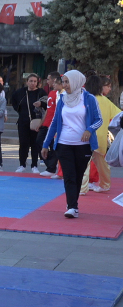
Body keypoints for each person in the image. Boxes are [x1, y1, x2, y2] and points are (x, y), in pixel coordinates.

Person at [42, 70, 102, 218]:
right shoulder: (62, 99)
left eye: (67, 82)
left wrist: (89, 129)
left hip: (83, 145)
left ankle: (73, 205)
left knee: (78, 175)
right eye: (64, 82)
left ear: (77, 81)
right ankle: (72, 207)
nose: (65, 85)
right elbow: (55, 122)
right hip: (63, 144)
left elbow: (98, 120)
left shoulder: (89, 99)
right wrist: (45, 143)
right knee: (69, 175)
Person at [79, 75, 120, 194]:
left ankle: (82, 188)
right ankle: (105, 184)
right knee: (102, 163)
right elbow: (118, 115)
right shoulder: (105, 101)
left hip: (85, 135)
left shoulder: (83, 99)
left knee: (84, 163)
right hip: (100, 137)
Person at [11, 74, 47, 173]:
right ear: (27, 82)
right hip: (23, 121)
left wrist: (41, 104)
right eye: (31, 81)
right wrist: (19, 110)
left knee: (35, 143)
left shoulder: (41, 92)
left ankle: (34, 165)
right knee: (23, 143)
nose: (33, 83)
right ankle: (22, 164)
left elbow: (47, 103)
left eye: (35, 81)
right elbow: (13, 101)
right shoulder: (20, 92)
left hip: (36, 121)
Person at [37, 72, 63, 178]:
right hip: (48, 123)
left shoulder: (61, 94)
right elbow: (48, 110)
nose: (47, 81)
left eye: (48, 79)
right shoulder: (52, 93)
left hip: (55, 123)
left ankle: (52, 168)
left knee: (54, 146)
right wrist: (42, 122)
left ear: (54, 80)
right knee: (39, 142)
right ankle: (50, 164)